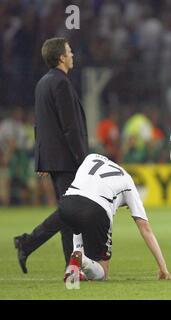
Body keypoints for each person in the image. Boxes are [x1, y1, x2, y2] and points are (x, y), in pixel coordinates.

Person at [13, 37, 88, 273]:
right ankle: (27, 241)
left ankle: (71, 267)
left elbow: (40, 125)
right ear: (61, 58)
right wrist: (83, 159)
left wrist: (41, 158)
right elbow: (70, 127)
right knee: (70, 211)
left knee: (68, 213)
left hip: (55, 159)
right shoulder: (61, 84)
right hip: (67, 160)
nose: (72, 54)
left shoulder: (43, 83)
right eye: (69, 51)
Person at [58, 153, 170, 282]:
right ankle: (82, 259)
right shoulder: (128, 181)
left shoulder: (92, 157)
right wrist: (163, 267)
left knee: (77, 225)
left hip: (66, 203)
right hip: (96, 209)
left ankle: (72, 270)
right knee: (103, 273)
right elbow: (145, 229)